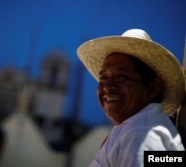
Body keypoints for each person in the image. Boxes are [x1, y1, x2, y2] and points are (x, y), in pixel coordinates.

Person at [77, 29, 185, 167]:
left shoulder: (141, 134)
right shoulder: (138, 130)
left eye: (122, 76)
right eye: (103, 78)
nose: (107, 86)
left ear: (153, 88)